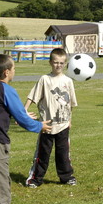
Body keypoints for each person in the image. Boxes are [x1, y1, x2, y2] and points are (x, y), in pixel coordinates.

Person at [0, 54, 52, 204]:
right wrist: (38, 126)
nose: (15, 70)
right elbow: (21, 118)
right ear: (7, 72)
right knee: (1, 181)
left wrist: (20, 113)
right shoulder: (7, 89)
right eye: (14, 67)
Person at [25, 48, 78, 188]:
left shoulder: (68, 81)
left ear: (65, 64)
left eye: (61, 63)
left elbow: (70, 103)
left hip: (63, 125)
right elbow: (32, 96)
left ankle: (66, 177)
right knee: (43, 154)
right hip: (47, 126)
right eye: (55, 62)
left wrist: (70, 120)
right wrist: (24, 111)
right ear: (50, 62)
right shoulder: (45, 79)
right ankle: (35, 179)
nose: (58, 65)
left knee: (63, 154)